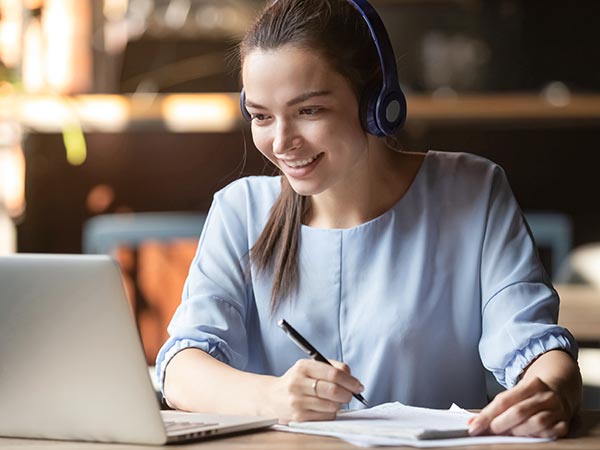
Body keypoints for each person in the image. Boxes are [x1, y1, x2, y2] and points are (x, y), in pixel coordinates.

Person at [156, 0, 582, 438]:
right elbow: (181, 370)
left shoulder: (472, 191)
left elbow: (531, 343)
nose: (281, 142)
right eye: (262, 116)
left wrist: (553, 390)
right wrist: (276, 397)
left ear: (376, 102)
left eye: (309, 111)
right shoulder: (240, 209)